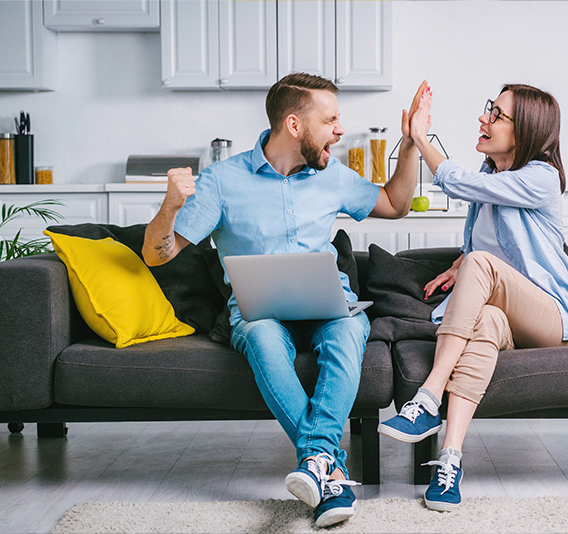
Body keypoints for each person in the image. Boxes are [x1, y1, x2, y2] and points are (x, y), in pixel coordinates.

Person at [143, 73, 427, 528]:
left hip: (326, 303)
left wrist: (411, 144)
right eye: (330, 119)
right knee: (261, 335)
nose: (339, 128)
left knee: (350, 328)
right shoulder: (223, 180)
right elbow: (160, 255)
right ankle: (328, 466)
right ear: (294, 125)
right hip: (260, 312)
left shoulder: (331, 174)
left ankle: (317, 464)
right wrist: (170, 206)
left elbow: (395, 204)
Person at [377, 84, 568, 511]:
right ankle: (450, 459)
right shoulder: (490, 177)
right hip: (507, 317)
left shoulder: (540, 177)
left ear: (526, 128)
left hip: (552, 318)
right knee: (487, 320)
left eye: (497, 114)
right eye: (488, 109)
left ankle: (428, 395)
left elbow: (456, 186)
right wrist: (461, 265)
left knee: (480, 265)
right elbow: (484, 244)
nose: (484, 119)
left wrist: (419, 136)